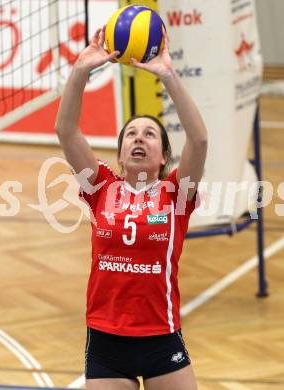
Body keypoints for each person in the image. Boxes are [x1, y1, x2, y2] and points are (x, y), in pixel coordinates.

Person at [55, 26, 207, 390]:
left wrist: (168, 75)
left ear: (165, 156)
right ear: (121, 153)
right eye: (131, 135)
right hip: (107, 341)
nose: (139, 138)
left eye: (150, 134)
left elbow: (199, 140)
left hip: (161, 336)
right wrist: (80, 70)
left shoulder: (176, 193)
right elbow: (66, 130)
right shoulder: (101, 186)